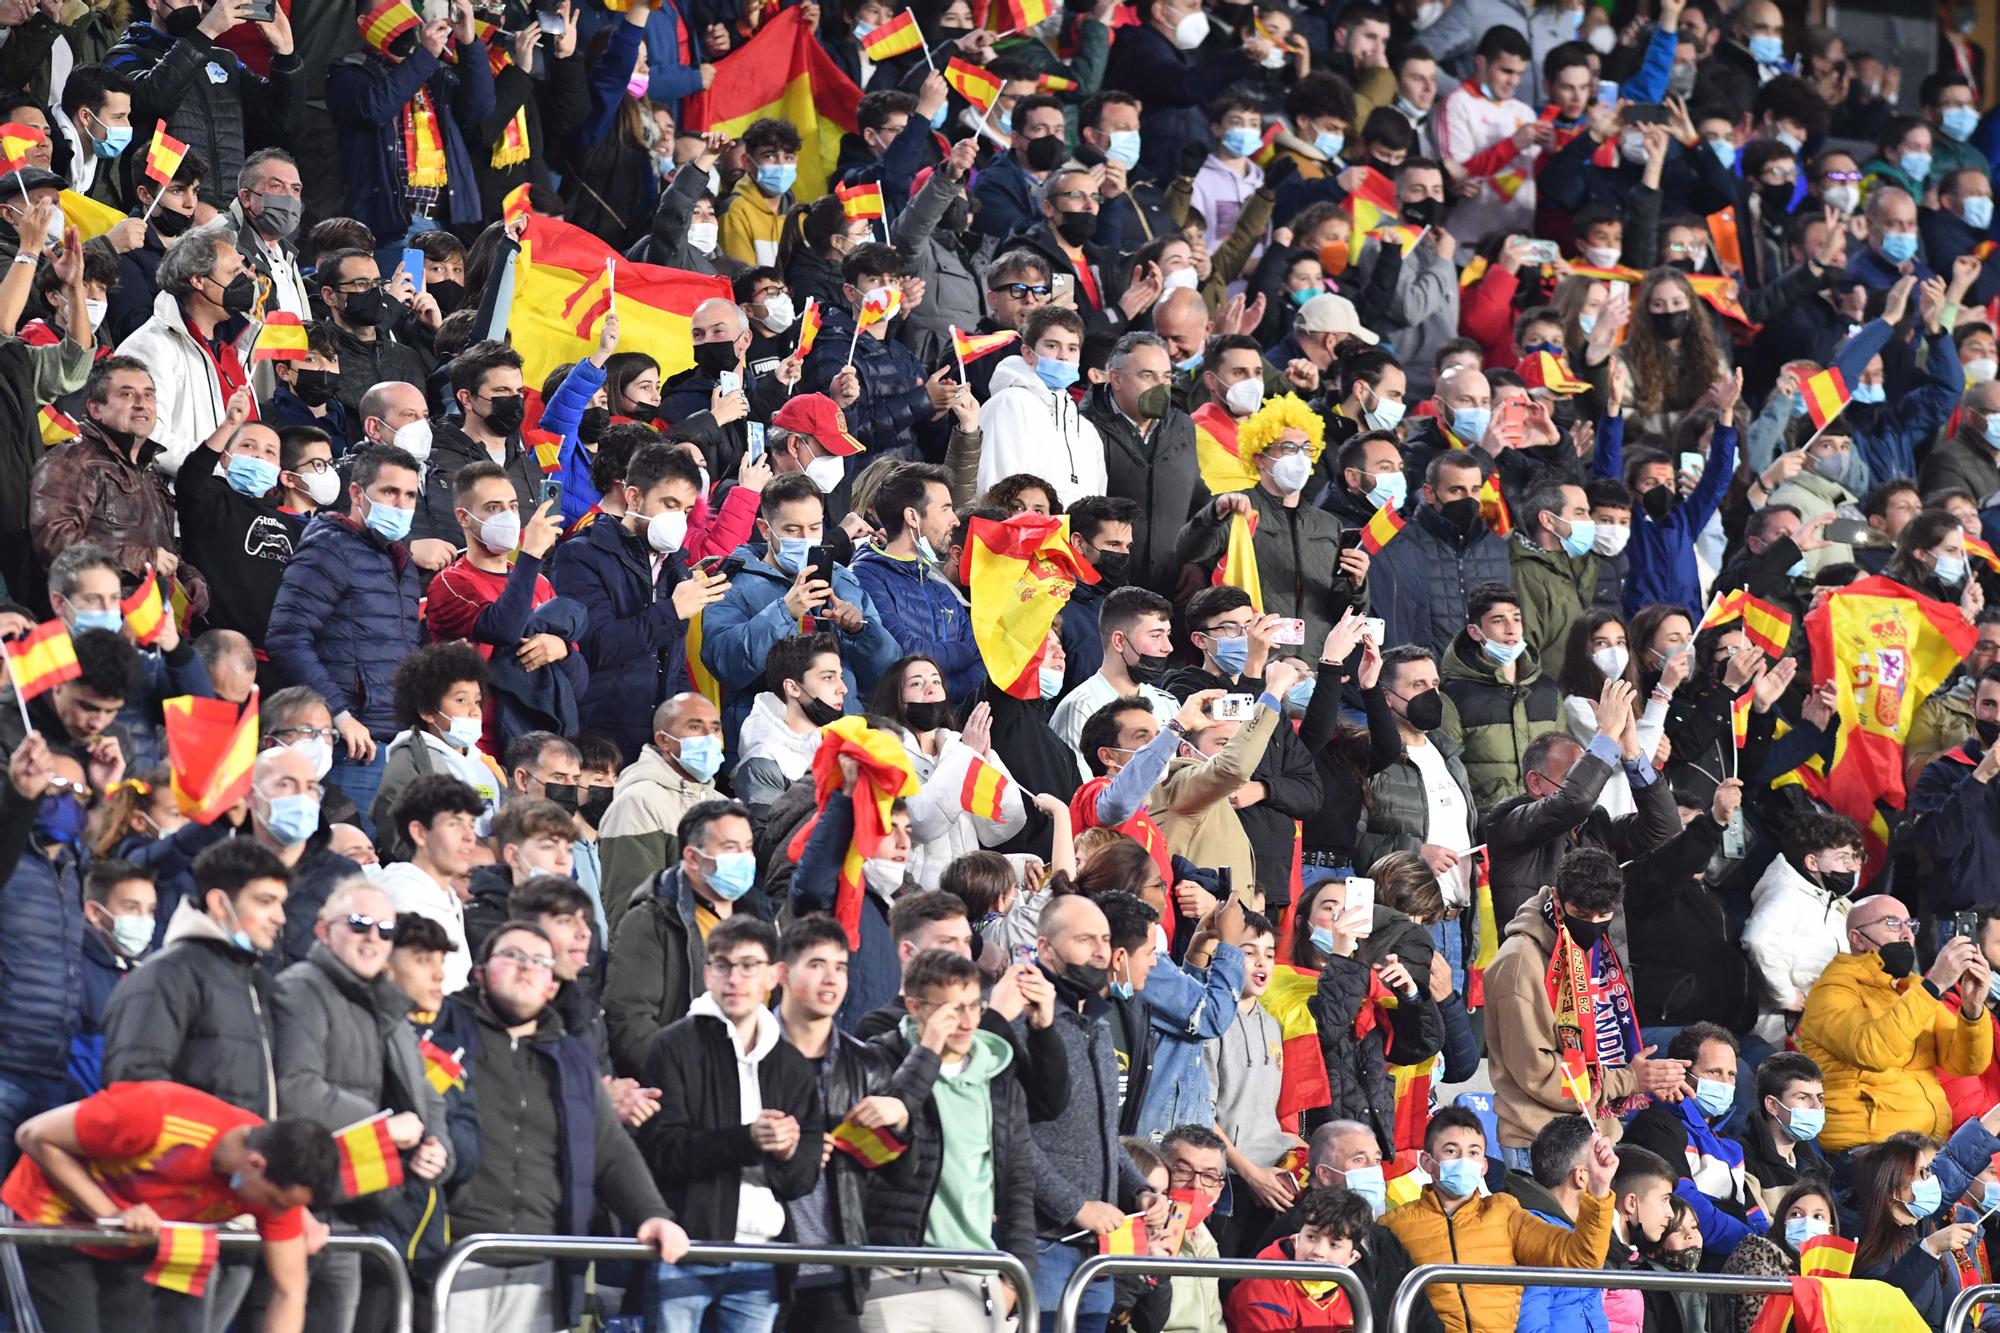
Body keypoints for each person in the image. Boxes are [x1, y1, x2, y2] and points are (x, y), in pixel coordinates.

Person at [447, 921, 688, 1329]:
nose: (526, 968)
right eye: (512, 956)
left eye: (540, 962)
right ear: (480, 972)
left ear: (553, 986)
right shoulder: (442, 1034)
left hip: (544, 1265)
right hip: (455, 1259)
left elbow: (609, 1146)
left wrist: (651, 1212)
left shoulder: (574, 1059)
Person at [2, 1082, 337, 1331]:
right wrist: (110, 1214)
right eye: (277, 1203)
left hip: (125, 1249)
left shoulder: (279, 1186)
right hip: (46, 1225)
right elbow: (33, 1134)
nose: (280, 1214)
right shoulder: (156, 1115)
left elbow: (290, 1291)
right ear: (254, 1164)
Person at [271, 878, 452, 1333]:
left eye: (385, 930)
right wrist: (383, 1128)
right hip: (305, 1209)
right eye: (358, 923)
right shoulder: (300, 989)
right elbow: (294, 1089)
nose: (373, 937)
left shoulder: (388, 1005)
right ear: (322, 930)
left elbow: (428, 1100)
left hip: (359, 1211)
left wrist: (437, 1149)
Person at [637, 914, 821, 1332]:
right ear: (707, 973)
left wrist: (788, 1153)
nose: (734, 978)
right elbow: (661, 1150)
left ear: (774, 975)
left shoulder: (791, 1064)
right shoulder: (671, 1047)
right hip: (683, 1250)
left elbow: (802, 1178)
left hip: (761, 1259)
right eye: (723, 965)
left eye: (749, 966)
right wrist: (748, 1140)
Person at [859, 945, 1039, 1332]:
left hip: (976, 1279)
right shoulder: (878, 1059)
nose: (966, 1021)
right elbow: (874, 1153)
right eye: (950, 1009)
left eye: (974, 1006)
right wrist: (926, 1054)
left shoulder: (999, 1077)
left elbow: (1019, 1184)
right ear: (915, 1007)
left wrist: (1014, 1278)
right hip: (892, 1274)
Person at [1485, 847, 1691, 1168]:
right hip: (1539, 1144)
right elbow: (1538, 1073)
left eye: (1604, 916)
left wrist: (1648, 1077)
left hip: (1598, 1133)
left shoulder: (1593, 946)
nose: (1593, 925)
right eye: (1581, 915)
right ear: (1557, 896)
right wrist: (1627, 1080)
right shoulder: (1519, 964)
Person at [265, 442, 427, 826]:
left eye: (408, 495)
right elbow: (286, 636)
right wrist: (339, 715)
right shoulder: (330, 548)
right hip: (352, 746)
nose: (400, 505)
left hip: (395, 739)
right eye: (389, 492)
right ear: (356, 492)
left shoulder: (397, 558)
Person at [1030, 892, 1163, 1333]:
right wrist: (1075, 1208)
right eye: (1085, 939)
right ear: (1044, 947)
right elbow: (1007, 1139)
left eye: (1104, 939)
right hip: (1040, 1242)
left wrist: (1140, 1190)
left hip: (1097, 1251)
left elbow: (1104, 1135)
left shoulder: (1098, 1025)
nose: (1100, 951)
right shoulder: (1021, 1019)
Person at [549, 440, 730, 763]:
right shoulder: (580, 555)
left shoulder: (676, 567)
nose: (678, 519)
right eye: (669, 504)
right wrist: (672, 611)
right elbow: (597, 647)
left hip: (659, 745)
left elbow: (672, 665)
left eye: (687, 511)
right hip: (601, 743)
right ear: (633, 496)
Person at [704, 470, 901, 752]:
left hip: (841, 739)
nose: (806, 538)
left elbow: (885, 671)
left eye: (814, 528)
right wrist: (785, 611)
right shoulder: (731, 582)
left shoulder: (843, 580)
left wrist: (861, 632)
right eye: (792, 530)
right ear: (764, 529)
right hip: (768, 744)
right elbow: (726, 663)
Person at [1382, 1106, 1618, 1333]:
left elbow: (1582, 1260)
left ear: (1484, 1165)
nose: (1464, 1160)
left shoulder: (1504, 1213)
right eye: (1451, 1151)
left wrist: (1598, 1189)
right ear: (1426, 1162)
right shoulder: (1395, 1225)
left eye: (1473, 1152)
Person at [1795, 894, 1992, 1153]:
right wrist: (1933, 986)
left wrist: (1973, 1009)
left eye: (1910, 925)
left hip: (1924, 1145)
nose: (1906, 934)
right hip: (1869, 1149)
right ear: (1857, 938)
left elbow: (1967, 1063)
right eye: (1891, 923)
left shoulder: (1908, 989)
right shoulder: (1832, 990)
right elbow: (1872, 1051)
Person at [1174, 393, 1368, 653]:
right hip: (1256, 663)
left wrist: (1357, 587)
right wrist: (1213, 514)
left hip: (1314, 666)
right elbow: (1188, 551)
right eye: (1287, 448)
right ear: (1259, 457)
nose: (1299, 457)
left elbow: (1341, 609)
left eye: (1307, 448)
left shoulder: (1329, 525)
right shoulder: (1234, 508)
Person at [603, 798, 772, 1078]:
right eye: (730, 848)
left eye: (748, 847)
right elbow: (629, 1020)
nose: (744, 858)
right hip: (684, 1090)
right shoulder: (652, 921)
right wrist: (685, 1083)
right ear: (693, 858)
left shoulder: (764, 921)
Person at [1485, 700, 1686, 930]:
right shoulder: (1509, 820)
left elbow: (1664, 827)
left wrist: (1632, 755)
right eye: (1570, 777)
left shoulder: (1595, 824)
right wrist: (1607, 736)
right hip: (1539, 962)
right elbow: (1574, 802)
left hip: (1601, 962)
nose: (1581, 785)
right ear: (1535, 782)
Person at [326, 0, 496, 245]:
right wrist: (425, 55)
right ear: (364, 23)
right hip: (393, 225)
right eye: (392, 9)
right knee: (403, 285)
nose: (404, 17)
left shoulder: (433, 71)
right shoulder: (348, 72)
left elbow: (480, 109)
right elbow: (376, 107)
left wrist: (469, 44)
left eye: (407, 8)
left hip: (446, 223)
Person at [104, 0, 304, 199]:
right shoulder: (125, 54)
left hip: (224, 211)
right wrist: (206, 32)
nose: (193, 4)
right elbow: (150, 102)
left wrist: (285, 56)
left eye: (198, 0)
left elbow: (280, 121)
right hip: (160, 208)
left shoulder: (225, 60)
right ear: (154, 2)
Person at [852, 464, 984, 705]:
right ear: (912, 516)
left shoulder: (941, 586)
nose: (955, 521)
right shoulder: (865, 577)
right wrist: (958, 655)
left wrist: (937, 689)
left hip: (947, 727)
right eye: (945, 509)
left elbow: (978, 663)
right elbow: (901, 653)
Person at [597, 694, 728, 931]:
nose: (709, 737)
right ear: (663, 740)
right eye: (695, 727)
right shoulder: (639, 802)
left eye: (715, 728)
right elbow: (631, 909)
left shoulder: (723, 805)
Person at [1438, 583, 1564, 812]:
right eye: (1498, 620)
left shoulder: (1547, 690)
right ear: (1475, 631)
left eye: (1516, 619)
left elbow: (1563, 763)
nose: (1511, 629)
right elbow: (1447, 774)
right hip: (1490, 826)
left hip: (1548, 819)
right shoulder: (1454, 696)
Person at [1740, 813, 1864, 1044]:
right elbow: (1758, 939)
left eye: (1854, 857)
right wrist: (1785, 996)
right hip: (1785, 1031)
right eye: (1842, 858)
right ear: (1812, 863)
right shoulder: (1786, 893)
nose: (1852, 867)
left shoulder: (1832, 901)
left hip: (1824, 1022)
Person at [975, 306, 1109, 509]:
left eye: (1072, 348)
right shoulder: (1008, 404)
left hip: (1072, 539)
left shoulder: (1086, 430)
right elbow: (995, 491)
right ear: (1028, 353)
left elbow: (1097, 502)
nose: (1064, 356)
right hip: (1021, 537)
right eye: (1052, 346)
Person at [371, 774, 486, 992]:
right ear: (420, 833)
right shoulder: (401, 897)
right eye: (455, 824)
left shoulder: (444, 895)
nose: (469, 836)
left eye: (471, 824)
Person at [1049, 586, 1179, 759]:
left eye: (1167, 635)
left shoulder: (1168, 703)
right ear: (1119, 641)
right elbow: (1080, 785)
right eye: (1156, 636)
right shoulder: (1080, 707)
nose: (1167, 647)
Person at [1908, 664, 2000, 907]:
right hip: (1963, 922)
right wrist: (1979, 777)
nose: (1998, 717)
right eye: (1989, 704)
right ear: (1972, 705)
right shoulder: (1940, 772)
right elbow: (1939, 845)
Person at [1227, 1186, 1373, 1331]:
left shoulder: (1352, 1292)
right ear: (1295, 1240)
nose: (1318, 1252)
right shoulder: (1264, 1285)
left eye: (1334, 1245)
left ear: (1352, 1258)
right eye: (1311, 1237)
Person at [1727, 1052, 1830, 1216]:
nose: (1817, 1107)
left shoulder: (1817, 1167)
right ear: (1772, 1105)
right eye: (1803, 1097)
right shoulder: (1744, 1161)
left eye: (1820, 1098)